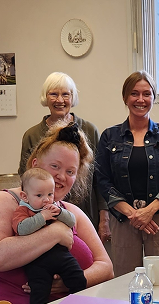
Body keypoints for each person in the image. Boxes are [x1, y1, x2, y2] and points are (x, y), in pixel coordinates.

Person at [0, 121, 113, 304]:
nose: (61, 176)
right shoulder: (0, 202)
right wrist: (55, 233)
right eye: (55, 166)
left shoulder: (72, 212)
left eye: (70, 171)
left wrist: (72, 280)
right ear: (35, 164)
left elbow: (106, 266)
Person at [94, 71, 159, 276]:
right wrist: (133, 214)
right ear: (125, 97)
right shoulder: (110, 136)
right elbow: (103, 181)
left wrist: (149, 211)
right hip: (124, 219)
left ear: (153, 97)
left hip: (158, 219)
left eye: (146, 94)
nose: (140, 100)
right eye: (134, 94)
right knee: (126, 280)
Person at [19, 72, 109, 239]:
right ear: (45, 97)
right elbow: (24, 177)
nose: (60, 100)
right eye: (53, 94)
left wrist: (104, 217)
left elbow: (100, 176)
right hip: (42, 216)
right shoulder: (31, 135)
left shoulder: (89, 130)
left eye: (65, 94)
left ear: (72, 98)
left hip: (85, 212)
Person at [12, 167, 86, 304]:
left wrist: (60, 213)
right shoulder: (22, 210)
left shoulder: (55, 207)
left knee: (78, 277)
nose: (46, 200)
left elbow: (71, 221)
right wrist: (42, 217)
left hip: (61, 254)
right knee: (39, 291)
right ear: (25, 196)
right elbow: (21, 229)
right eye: (39, 195)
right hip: (36, 259)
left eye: (50, 194)